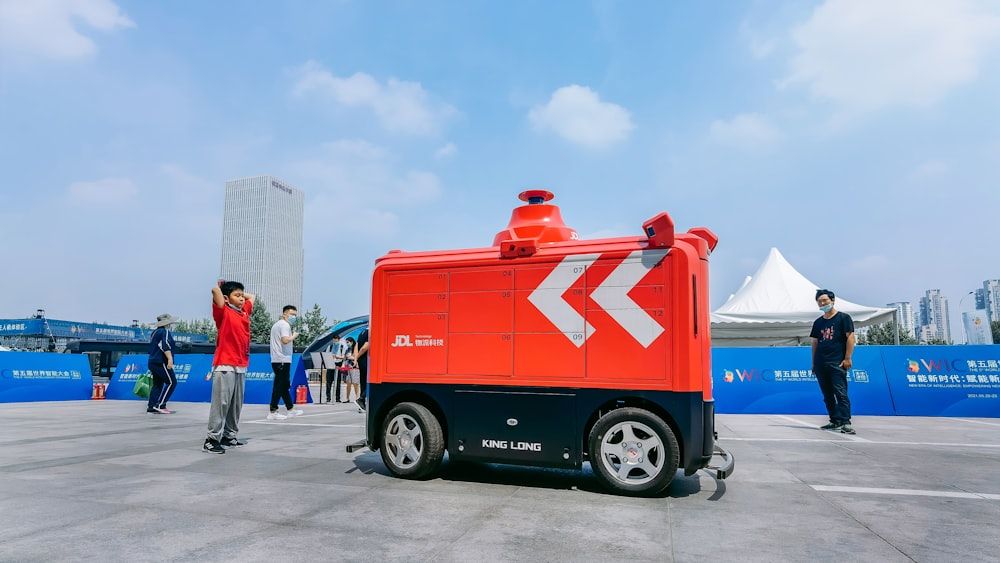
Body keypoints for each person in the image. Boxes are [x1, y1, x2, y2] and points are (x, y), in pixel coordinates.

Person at [203, 280, 255, 454]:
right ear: (226, 298)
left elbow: (252, 297)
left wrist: (237, 293)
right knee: (222, 403)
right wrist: (224, 289)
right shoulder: (223, 312)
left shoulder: (244, 312)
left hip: (241, 365)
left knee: (235, 405)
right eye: (237, 296)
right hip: (225, 364)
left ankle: (229, 435)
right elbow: (214, 290)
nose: (242, 299)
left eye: (242, 295)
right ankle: (211, 439)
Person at [810, 289, 856, 435]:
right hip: (820, 363)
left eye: (825, 300)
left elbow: (850, 337)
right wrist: (813, 363)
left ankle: (846, 422)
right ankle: (834, 420)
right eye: (819, 301)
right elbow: (815, 342)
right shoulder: (818, 322)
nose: (822, 303)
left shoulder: (843, 318)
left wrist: (848, 358)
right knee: (827, 394)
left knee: (840, 393)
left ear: (833, 300)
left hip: (837, 362)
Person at [268, 305, 304, 420]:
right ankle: (273, 410)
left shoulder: (277, 324)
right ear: (285, 314)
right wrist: (294, 336)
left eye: (295, 315)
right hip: (282, 359)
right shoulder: (285, 325)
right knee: (279, 385)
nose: (293, 317)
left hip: (277, 359)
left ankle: (290, 409)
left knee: (283, 385)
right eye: (291, 314)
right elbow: (285, 340)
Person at [147, 313, 179, 414]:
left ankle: (151, 407)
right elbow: (164, 345)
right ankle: (161, 405)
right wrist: (170, 359)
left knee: (157, 384)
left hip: (152, 361)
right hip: (160, 362)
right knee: (171, 382)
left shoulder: (155, 332)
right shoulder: (164, 332)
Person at [325, 335, 345, 403]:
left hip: (338, 364)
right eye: (334, 340)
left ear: (339, 340)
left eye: (336, 340)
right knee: (328, 382)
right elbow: (326, 355)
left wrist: (337, 357)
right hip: (330, 364)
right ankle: (328, 398)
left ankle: (337, 398)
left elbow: (343, 357)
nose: (335, 341)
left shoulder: (342, 347)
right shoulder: (330, 347)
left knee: (338, 382)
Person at [354, 327, 369, 411]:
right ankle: (361, 399)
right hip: (367, 360)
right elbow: (365, 347)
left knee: (363, 382)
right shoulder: (370, 332)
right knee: (370, 383)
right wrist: (358, 356)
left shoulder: (361, 333)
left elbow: (356, 347)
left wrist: (356, 359)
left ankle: (362, 405)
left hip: (361, 361)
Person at [343, 336, 358, 404]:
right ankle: (347, 398)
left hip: (354, 367)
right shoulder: (347, 350)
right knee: (348, 383)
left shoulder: (356, 348)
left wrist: (352, 357)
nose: (347, 344)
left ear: (351, 342)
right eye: (346, 343)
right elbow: (345, 358)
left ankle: (357, 398)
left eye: (348, 342)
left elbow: (356, 356)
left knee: (355, 383)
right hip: (348, 367)